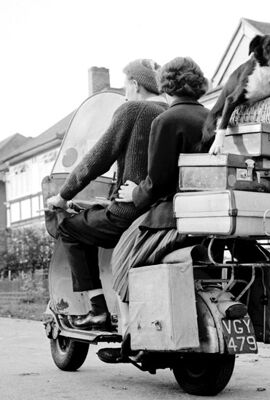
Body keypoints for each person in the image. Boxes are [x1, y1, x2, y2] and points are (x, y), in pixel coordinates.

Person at [97, 56, 209, 363]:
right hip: (203, 212)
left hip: (168, 214)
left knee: (120, 258)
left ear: (166, 84)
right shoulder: (210, 117)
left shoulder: (167, 121)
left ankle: (130, 341)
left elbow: (157, 181)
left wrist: (135, 193)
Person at [46, 59, 168, 330]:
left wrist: (63, 196)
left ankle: (97, 310)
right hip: (163, 212)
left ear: (135, 84)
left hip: (130, 213)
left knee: (70, 228)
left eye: (126, 84)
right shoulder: (170, 112)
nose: (125, 91)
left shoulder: (132, 110)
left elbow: (97, 159)